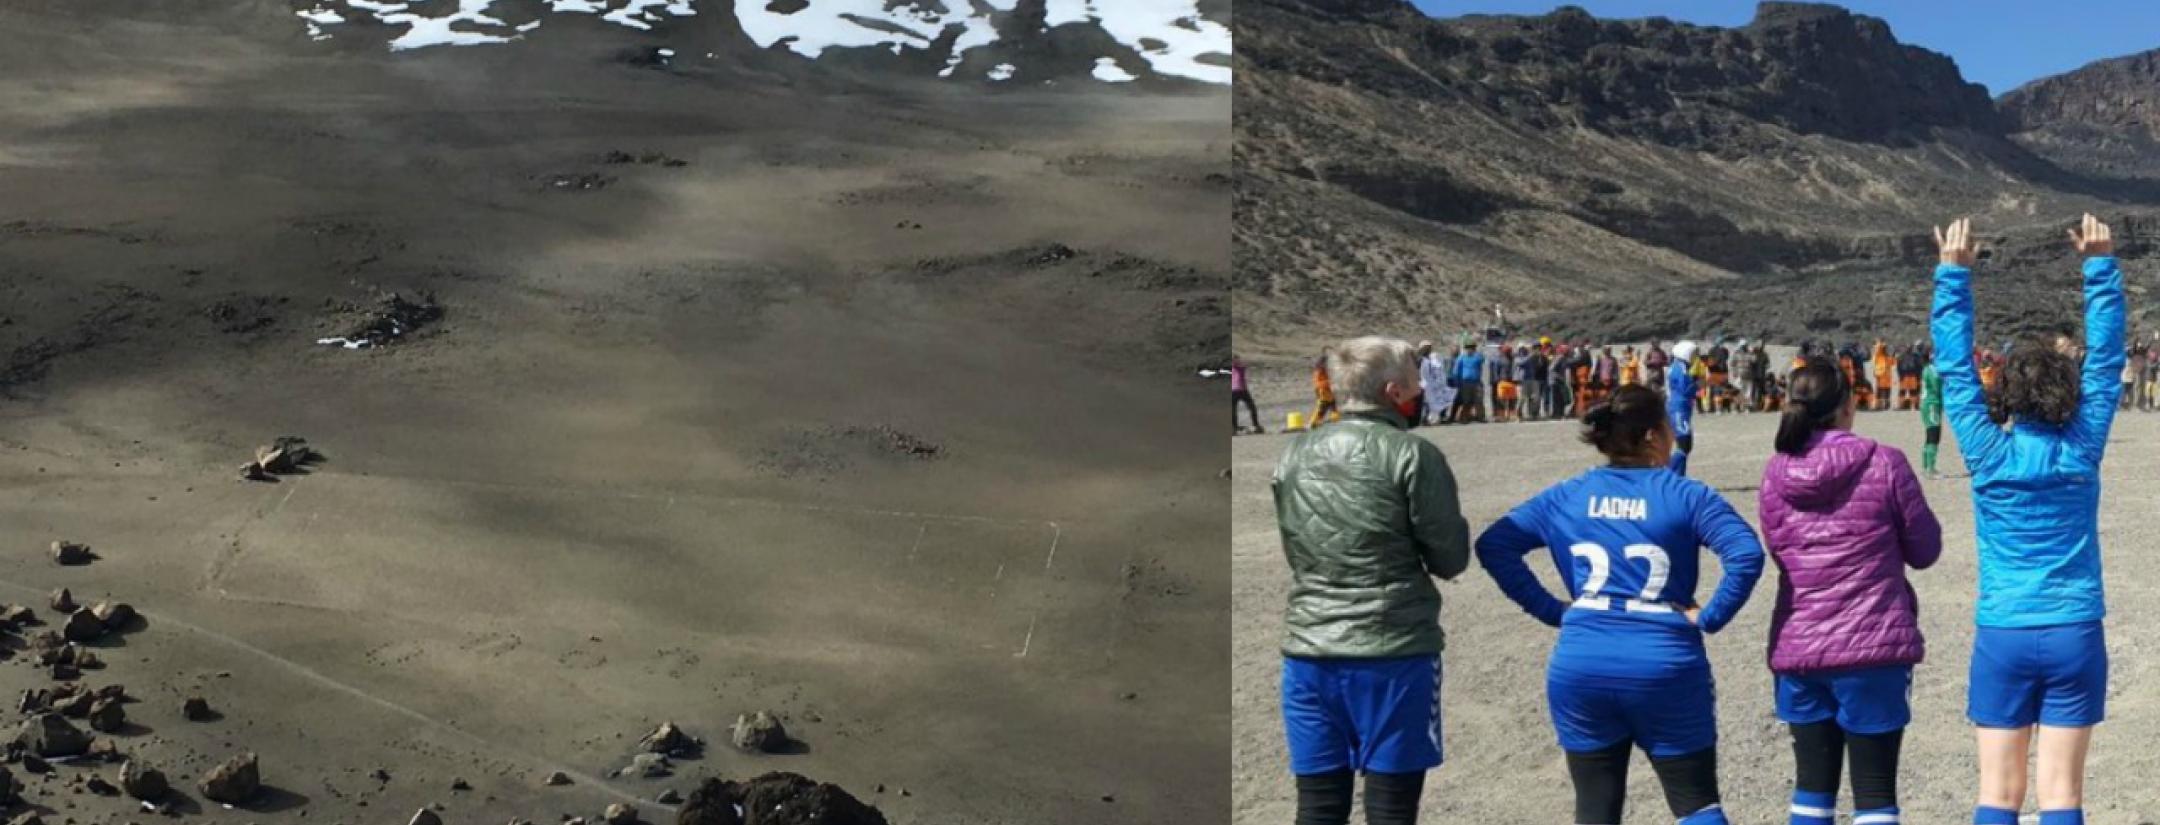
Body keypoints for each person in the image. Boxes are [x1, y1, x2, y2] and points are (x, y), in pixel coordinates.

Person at [1474, 384, 1764, 825]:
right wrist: (1710, 616)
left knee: (1596, 805)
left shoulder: (1567, 495)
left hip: (1581, 663)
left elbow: (1495, 544)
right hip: (1663, 662)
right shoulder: (1685, 494)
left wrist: (1554, 610)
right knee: (1696, 804)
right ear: (1652, 435)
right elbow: (1746, 553)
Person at [1932, 216, 2125, 825]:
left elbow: (1956, 371)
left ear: (2009, 393)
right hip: (2074, 627)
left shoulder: (1988, 454)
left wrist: (1952, 275)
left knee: (1998, 790)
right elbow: (2107, 361)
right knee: (2063, 791)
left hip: (2005, 630)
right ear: (2066, 394)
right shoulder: (2082, 448)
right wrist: (2099, 268)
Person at [1272, 336, 1470, 825]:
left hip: (1310, 648)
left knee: (1317, 807)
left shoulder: (1292, 457)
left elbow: (1296, 546)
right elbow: (1449, 557)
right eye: (1413, 382)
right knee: (1392, 809)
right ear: (1392, 391)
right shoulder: (1412, 454)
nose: (1420, 392)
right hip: (1393, 651)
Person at [1760, 356, 1943, 825]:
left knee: (1811, 789)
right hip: (1874, 644)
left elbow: (1779, 549)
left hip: (1801, 643)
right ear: (1847, 405)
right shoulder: (1885, 463)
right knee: (1875, 790)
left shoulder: (1776, 473)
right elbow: (1924, 550)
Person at [1666, 341, 1699, 476]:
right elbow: (1685, 389)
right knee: (1684, 443)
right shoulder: (1680, 367)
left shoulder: (1678, 366)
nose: (1694, 357)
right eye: (1692, 354)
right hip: (1679, 408)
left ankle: (1679, 475)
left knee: (1686, 444)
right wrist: (1697, 384)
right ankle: (1670, 473)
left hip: (1680, 406)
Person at [1920, 344, 1943, 479]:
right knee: (1934, 435)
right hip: (1932, 404)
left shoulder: (1926, 369)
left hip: (1928, 404)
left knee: (1929, 435)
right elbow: (1936, 388)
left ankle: (1925, 466)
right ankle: (1930, 469)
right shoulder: (1932, 370)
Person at [1420, 342, 1453, 427]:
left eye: (1429, 348)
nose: (1428, 349)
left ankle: (1433, 418)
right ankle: (1424, 418)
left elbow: (1438, 371)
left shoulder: (1433, 358)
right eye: (1426, 348)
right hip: (1424, 383)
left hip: (1432, 384)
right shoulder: (1421, 360)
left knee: (1434, 401)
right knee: (1426, 402)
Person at [1451, 343, 1485, 425]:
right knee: (1466, 401)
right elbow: (1456, 371)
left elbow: (1483, 360)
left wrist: (1479, 352)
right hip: (1465, 382)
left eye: (1472, 348)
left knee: (1478, 400)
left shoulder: (1477, 357)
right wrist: (1457, 382)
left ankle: (1480, 417)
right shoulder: (1461, 358)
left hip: (1476, 382)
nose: (1470, 350)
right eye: (1468, 348)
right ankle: (1464, 418)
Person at [1232, 354, 1263, 435]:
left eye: (1237, 359)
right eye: (1235, 359)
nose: (1236, 361)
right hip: (1234, 390)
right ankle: (1234, 428)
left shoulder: (1241, 367)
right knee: (1233, 410)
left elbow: (1246, 364)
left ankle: (1256, 425)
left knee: (1252, 407)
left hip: (1243, 390)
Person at [1311, 349, 1340, 429]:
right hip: (1323, 393)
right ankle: (1313, 423)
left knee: (1333, 407)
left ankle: (1336, 421)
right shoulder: (1318, 372)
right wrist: (1330, 382)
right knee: (1321, 409)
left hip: (1328, 392)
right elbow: (1318, 384)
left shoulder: (1325, 371)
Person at [1871, 340, 1895, 412]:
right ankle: (1878, 405)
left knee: (1887, 391)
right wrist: (1880, 343)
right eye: (1884, 348)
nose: (1885, 349)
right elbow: (1878, 349)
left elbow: (1893, 363)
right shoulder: (1878, 356)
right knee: (1880, 391)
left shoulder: (1888, 357)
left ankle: (1886, 405)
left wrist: (1893, 355)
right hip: (1880, 376)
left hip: (1887, 377)